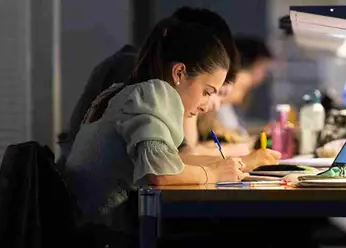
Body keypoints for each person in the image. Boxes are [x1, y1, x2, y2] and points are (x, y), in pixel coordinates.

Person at [65, 17, 245, 240]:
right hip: (105, 236)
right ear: (179, 73)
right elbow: (161, 173)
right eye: (207, 92)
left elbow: (173, 160)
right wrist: (215, 173)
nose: (206, 105)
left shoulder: (123, 91)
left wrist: (228, 165)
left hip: (89, 229)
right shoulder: (153, 94)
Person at [200, 37, 274, 140]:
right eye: (241, 88)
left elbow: (236, 132)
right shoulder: (206, 109)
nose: (264, 76)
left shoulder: (222, 108)